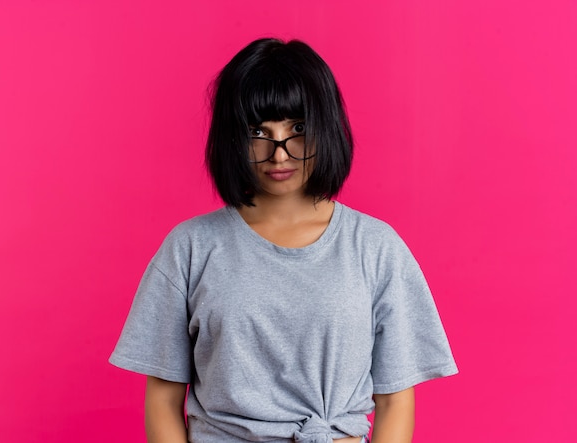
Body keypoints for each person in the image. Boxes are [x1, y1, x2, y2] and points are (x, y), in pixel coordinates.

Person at [109, 38, 458, 443]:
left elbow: (397, 400)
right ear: (231, 138)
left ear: (326, 128)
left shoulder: (377, 248)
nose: (279, 154)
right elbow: (163, 400)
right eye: (258, 131)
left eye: (298, 128)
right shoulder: (189, 248)